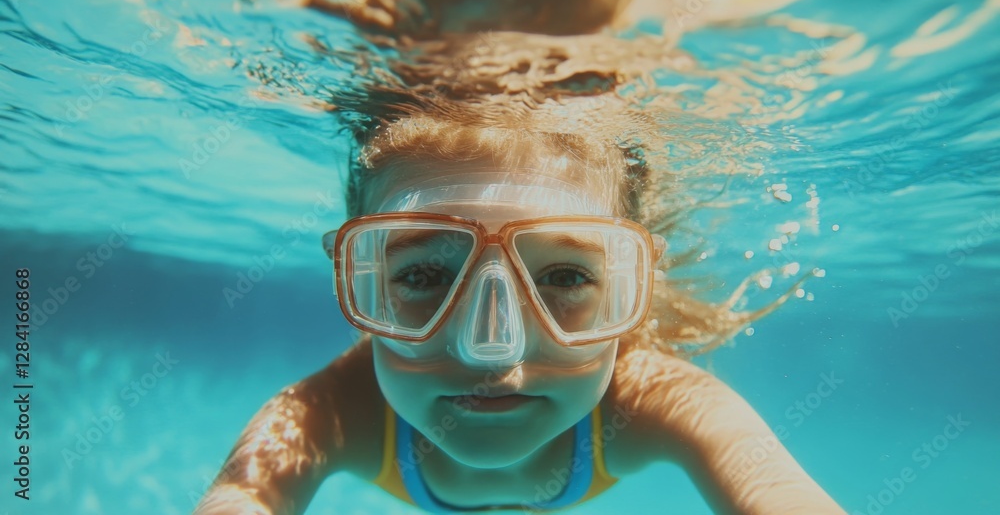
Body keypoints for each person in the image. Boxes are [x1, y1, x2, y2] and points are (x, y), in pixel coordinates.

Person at [194, 103, 845, 514]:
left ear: (632, 285)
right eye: (421, 273)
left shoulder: (652, 401)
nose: (492, 348)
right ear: (358, 278)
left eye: (564, 275)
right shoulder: (330, 416)